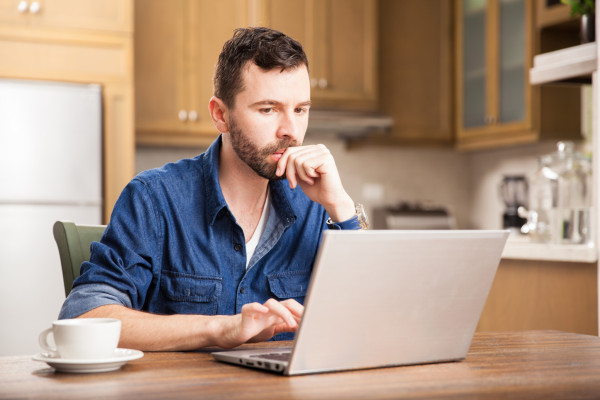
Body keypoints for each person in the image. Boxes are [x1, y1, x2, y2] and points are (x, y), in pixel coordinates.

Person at [58, 27, 367, 351]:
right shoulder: (154, 199)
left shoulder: (316, 207)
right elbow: (83, 316)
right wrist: (222, 329)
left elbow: (371, 314)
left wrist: (341, 206)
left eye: (300, 109)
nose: (291, 131)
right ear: (220, 115)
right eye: (268, 109)